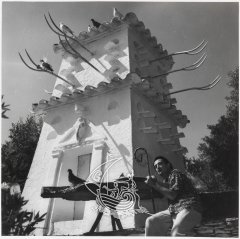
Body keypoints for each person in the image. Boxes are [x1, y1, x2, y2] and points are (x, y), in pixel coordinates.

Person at [145, 156, 202, 236]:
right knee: (151, 221)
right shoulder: (168, 179)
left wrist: (154, 185)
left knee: (176, 234)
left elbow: (172, 195)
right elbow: (167, 186)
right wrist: (155, 182)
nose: (157, 167)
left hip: (189, 208)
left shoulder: (176, 173)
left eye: (160, 164)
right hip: (175, 210)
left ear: (168, 165)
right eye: (155, 166)